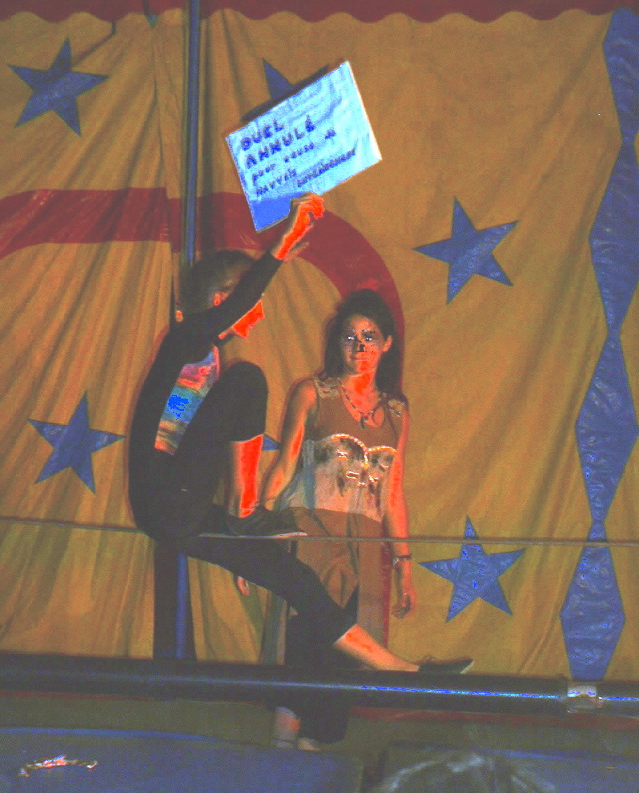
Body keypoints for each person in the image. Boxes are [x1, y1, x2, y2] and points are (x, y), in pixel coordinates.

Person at [128, 193, 472, 676]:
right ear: (222, 301)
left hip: (179, 505)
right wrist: (282, 245)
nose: (259, 313)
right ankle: (245, 512)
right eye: (253, 303)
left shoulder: (208, 355)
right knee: (249, 382)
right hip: (163, 493)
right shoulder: (186, 339)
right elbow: (237, 308)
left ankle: (404, 671)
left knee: (293, 578)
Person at [260, 289, 472, 750]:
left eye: (369, 336)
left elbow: (393, 493)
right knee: (302, 648)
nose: (359, 347)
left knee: (343, 659)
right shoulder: (312, 393)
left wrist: (404, 566)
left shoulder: (396, 412)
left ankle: (316, 756)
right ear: (337, 342)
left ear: (387, 343)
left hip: (364, 545)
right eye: (349, 336)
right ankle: (281, 760)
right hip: (310, 534)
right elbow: (283, 467)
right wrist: (253, 530)